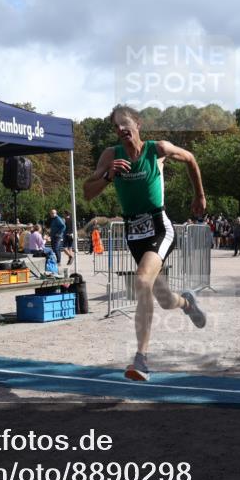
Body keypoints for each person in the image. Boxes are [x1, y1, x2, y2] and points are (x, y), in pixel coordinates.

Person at [83, 105, 207, 382]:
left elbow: (190, 158)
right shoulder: (110, 156)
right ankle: (186, 303)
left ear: (138, 123)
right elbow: (87, 193)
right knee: (163, 299)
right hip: (133, 233)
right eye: (115, 126)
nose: (121, 129)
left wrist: (199, 196)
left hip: (160, 227)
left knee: (140, 282)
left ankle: (142, 359)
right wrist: (107, 175)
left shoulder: (157, 149)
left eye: (124, 123)